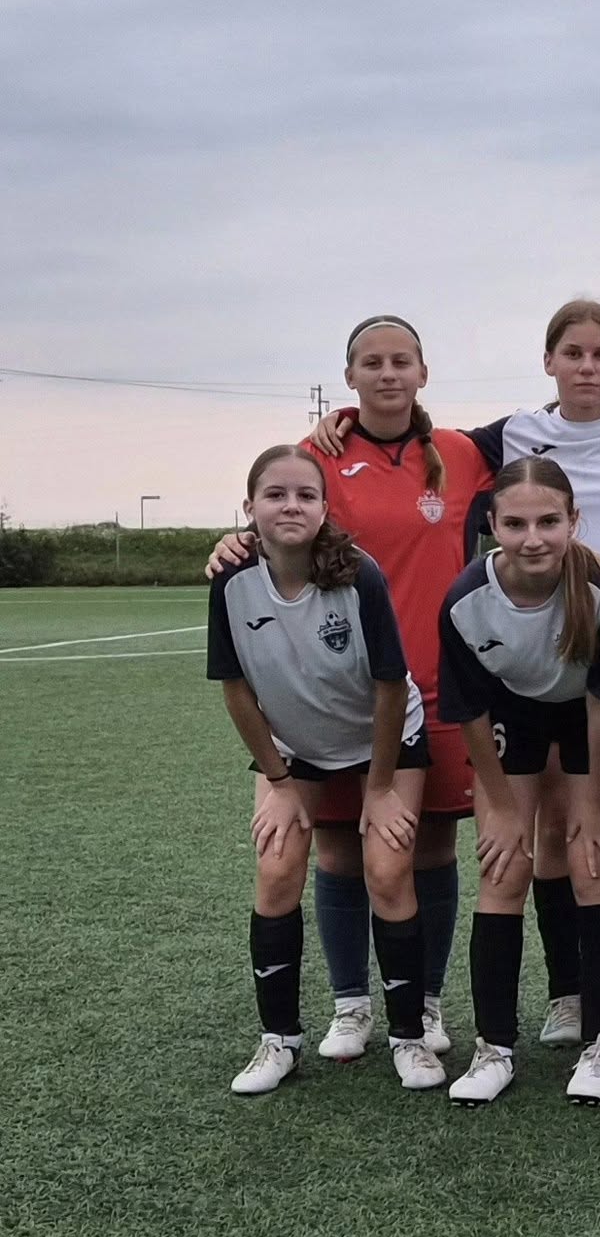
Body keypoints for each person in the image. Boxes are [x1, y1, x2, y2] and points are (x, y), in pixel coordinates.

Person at [316, 301, 600, 1048]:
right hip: (532, 666)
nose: (586, 366)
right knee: (555, 832)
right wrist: (338, 421)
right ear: (548, 361)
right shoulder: (511, 435)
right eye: (572, 352)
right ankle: (568, 995)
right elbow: (407, 430)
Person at [207, 315, 491, 1064]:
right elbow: (280, 514)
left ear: (423, 372)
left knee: (424, 849)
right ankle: (350, 1004)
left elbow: (552, 453)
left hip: (435, 687)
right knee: (336, 852)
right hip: (333, 693)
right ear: (350, 376)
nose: (387, 373)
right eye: (372, 362)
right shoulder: (319, 457)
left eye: (401, 361)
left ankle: (423, 1002)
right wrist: (235, 541)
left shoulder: (463, 453)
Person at [209, 446, 440, 1095]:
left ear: (323, 507)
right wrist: (280, 783)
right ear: (250, 506)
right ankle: (278, 1041)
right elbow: (235, 688)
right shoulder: (230, 579)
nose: (291, 505)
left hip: (383, 736)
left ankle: (409, 1037)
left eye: (305, 495)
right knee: (277, 866)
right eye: (275, 494)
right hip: (295, 746)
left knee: (387, 869)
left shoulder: (358, 574)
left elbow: (390, 686)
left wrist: (381, 787)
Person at [437, 459, 600, 1106]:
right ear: (492, 525)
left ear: (573, 521)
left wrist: (597, 802)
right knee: (503, 868)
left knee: (594, 861)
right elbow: (469, 710)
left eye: (549, 521)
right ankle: (494, 1048)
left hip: (585, 716)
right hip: (512, 714)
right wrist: (498, 806)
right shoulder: (466, 600)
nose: (533, 538)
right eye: (516, 524)